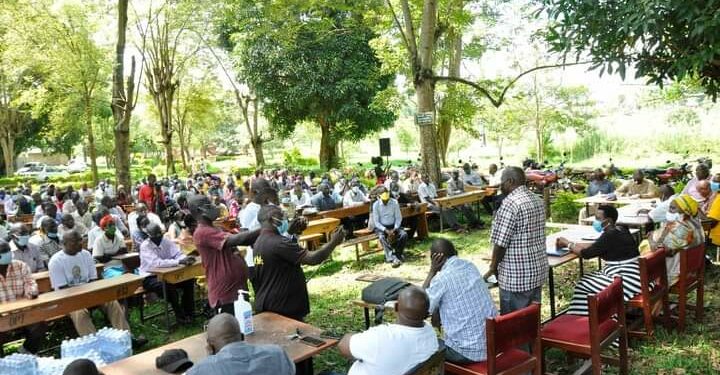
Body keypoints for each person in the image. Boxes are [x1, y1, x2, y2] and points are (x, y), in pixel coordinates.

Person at [252, 205, 344, 321]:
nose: (285, 219)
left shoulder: (259, 243)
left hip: (269, 302)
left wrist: (292, 232)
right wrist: (334, 242)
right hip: (284, 307)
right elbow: (313, 259)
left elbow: (279, 261)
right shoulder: (278, 243)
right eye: (282, 216)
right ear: (273, 218)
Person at [49, 230, 141, 343]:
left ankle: (126, 337)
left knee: (112, 302)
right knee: (80, 312)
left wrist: (93, 294)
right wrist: (85, 295)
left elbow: (93, 279)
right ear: (65, 243)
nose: (80, 243)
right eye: (75, 241)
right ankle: (94, 344)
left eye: (80, 240)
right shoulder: (56, 261)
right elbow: (63, 289)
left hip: (89, 292)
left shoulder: (86, 255)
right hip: (68, 299)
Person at [556, 205, 641, 315]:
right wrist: (575, 244)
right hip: (636, 275)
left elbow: (586, 254)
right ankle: (603, 314)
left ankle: (591, 318)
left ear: (608, 220)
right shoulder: (621, 229)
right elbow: (596, 246)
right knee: (588, 278)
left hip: (627, 280)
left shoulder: (609, 235)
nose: (595, 221)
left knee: (583, 284)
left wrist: (567, 243)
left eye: (598, 218)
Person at [422, 239, 496, 364]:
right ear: (455, 252)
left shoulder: (441, 279)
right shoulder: (470, 266)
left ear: (434, 259)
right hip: (493, 345)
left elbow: (420, 307)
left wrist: (432, 271)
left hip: (468, 353)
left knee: (422, 344)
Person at [337, 286, 439, 375]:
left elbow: (343, 345)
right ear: (426, 313)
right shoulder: (430, 333)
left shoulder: (381, 337)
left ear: (396, 307)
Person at [486, 166, 547, 313]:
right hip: (536, 271)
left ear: (510, 181)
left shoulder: (510, 204)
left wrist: (493, 268)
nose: (500, 185)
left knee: (514, 324)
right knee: (532, 318)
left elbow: (500, 243)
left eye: (502, 182)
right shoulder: (537, 200)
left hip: (516, 276)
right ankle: (533, 337)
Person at [188, 195, 261, 315]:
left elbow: (242, 238)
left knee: (243, 327)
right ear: (200, 210)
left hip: (237, 290)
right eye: (208, 204)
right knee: (231, 329)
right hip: (225, 294)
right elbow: (236, 240)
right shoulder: (203, 232)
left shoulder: (216, 227)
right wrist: (263, 229)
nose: (213, 206)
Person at [186, 313, 294, 375]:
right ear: (242, 337)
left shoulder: (199, 371)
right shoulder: (277, 354)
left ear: (211, 346)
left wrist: (209, 361)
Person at [139, 223, 196, 324]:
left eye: (159, 235)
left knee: (188, 280)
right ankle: (180, 315)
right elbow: (157, 263)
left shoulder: (165, 241)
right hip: (150, 277)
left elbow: (177, 253)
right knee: (168, 287)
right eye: (154, 236)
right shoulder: (145, 246)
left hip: (168, 273)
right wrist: (178, 262)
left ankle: (189, 313)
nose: (158, 238)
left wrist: (184, 259)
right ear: (149, 236)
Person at [0, 239, 47, 355]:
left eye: (9, 251)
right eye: (4, 252)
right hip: (1, 315)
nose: (8, 254)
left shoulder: (20, 266)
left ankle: (25, 353)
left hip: (23, 311)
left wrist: (31, 292)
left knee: (39, 324)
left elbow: (30, 284)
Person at [646, 194, 705, 284]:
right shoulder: (695, 223)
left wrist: (650, 239)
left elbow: (663, 252)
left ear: (684, 211)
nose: (669, 211)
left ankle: (653, 293)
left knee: (642, 263)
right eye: (669, 208)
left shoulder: (681, 229)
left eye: (673, 208)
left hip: (676, 273)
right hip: (691, 270)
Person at [372, 189, 407, 268]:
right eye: (384, 200)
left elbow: (398, 218)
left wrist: (395, 228)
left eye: (387, 200)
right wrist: (385, 230)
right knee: (381, 237)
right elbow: (376, 222)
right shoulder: (376, 205)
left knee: (404, 235)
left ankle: (398, 254)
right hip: (382, 227)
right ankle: (391, 257)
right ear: (379, 197)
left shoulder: (394, 202)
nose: (386, 202)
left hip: (394, 225)